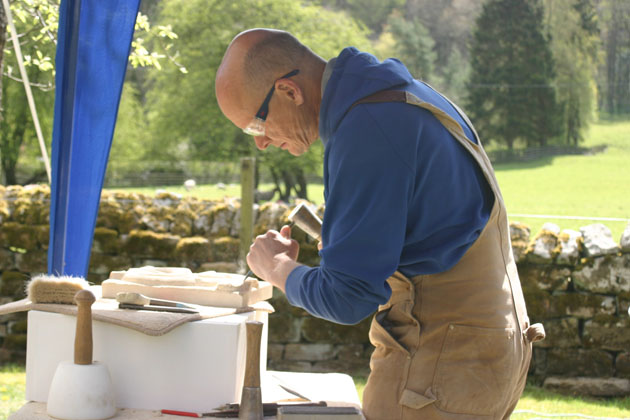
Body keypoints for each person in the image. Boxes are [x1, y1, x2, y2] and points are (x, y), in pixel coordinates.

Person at [215, 28, 544, 420]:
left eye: (256, 125)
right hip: (487, 353)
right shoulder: (398, 93)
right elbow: (426, 231)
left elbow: (347, 296)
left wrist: (277, 269)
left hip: (438, 372)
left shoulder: (369, 126)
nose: (261, 143)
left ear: (289, 91)